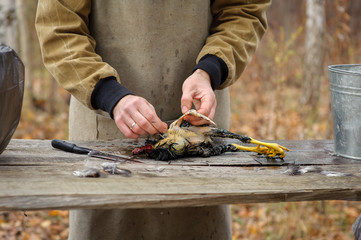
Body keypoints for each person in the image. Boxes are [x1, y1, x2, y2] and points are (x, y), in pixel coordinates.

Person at [35, 1, 270, 239]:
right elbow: (58, 26)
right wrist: (109, 95)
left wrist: (210, 69)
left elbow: (244, 10)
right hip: (104, 127)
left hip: (200, 129)